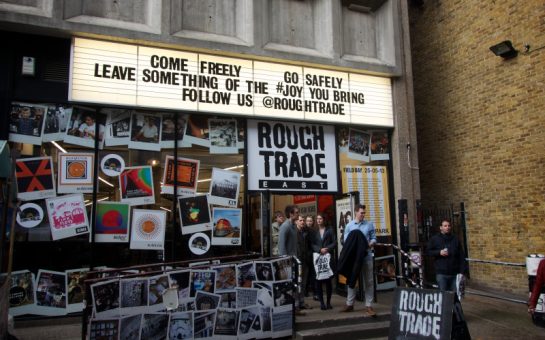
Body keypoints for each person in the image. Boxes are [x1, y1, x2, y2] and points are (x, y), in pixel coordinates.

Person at [340, 204, 377, 317]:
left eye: (364, 213)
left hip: (366, 256)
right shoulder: (349, 226)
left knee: (369, 281)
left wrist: (370, 244)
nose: (363, 215)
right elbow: (346, 241)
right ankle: (350, 304)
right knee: (352, 279)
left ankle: (368, 305)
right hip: (354, 259)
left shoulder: (369, 224)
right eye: (361, 212)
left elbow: (374, 237)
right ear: (356, 212)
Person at [277, 204, 305, 315]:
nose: (298, 214)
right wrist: (283, 263)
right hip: (287, 262)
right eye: (296, 212)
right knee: (289, 285)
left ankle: (296, 307)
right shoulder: (285, 226)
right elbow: (281, 245)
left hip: (295, 260)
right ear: (291, 214)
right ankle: (290, 309)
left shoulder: (293, 226)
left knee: (296, 284)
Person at [426, 219, 468, 291]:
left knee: (455, 297)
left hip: (454, 274)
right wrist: (439, 252)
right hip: (441, 274)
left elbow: (461, 256)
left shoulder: (455, 239)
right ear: (441, 227)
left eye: (449, 226)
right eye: (445, 226)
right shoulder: (435, 239)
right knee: (443, 296)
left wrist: (462, 272)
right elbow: (428, 252)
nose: (447, 227)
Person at [310, 212, 336, 310]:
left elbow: (334, 242)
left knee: (328, 281)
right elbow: (312, 244)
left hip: (327, 257)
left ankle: (328, 302)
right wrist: (319, 249)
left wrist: (326, 249)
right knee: (318, 281)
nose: (318, 220)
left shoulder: (330, 230)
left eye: (320, 218)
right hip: (318, 258)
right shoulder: (314, 231)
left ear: (324, 219)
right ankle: (321, 303)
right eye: (317, 219)